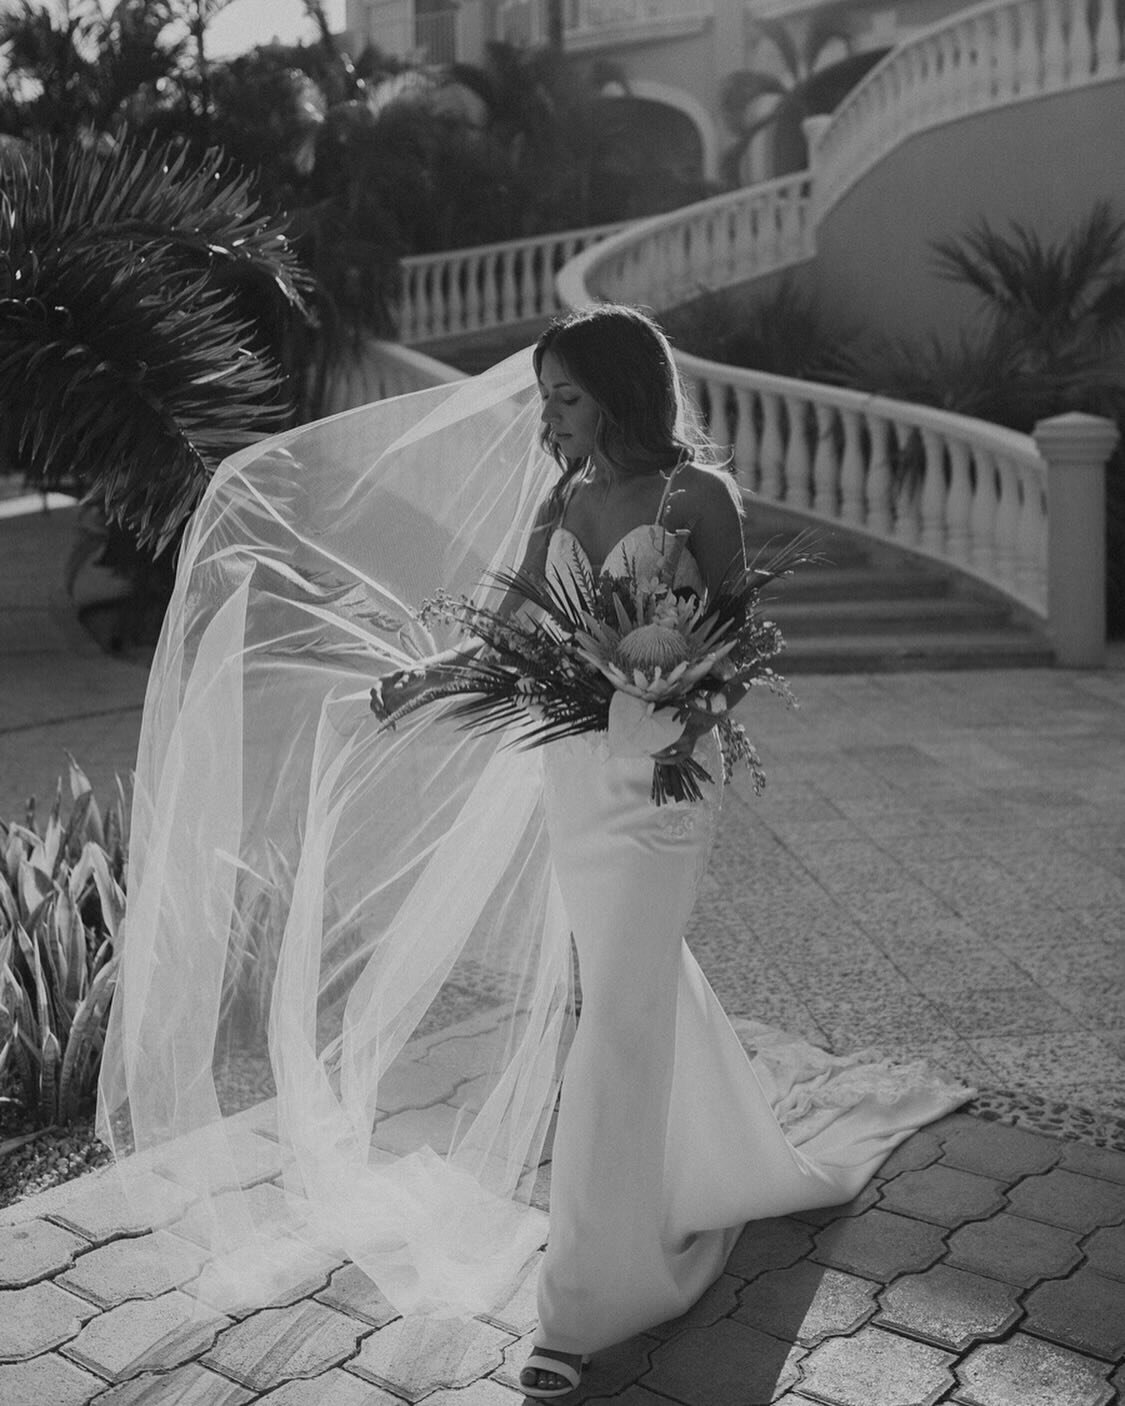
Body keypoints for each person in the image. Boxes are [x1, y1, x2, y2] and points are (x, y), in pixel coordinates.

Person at [98, 304, 969, 1399]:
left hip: (659, 779)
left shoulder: (697, 496)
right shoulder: (564, 498)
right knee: (629, 985)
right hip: (577, 778)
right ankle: (723, 1155)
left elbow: (738, 639)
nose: (548, 414)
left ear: (620, 389)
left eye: (565, 393)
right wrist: (418, 681)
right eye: (546, 394)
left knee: (613, 1010)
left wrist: (688, 709)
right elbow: (508, 622)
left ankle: (587, 1295)